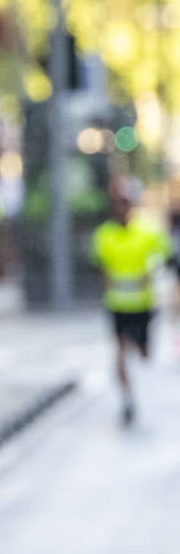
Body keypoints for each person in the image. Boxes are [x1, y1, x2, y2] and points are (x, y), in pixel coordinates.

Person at [91, 176, 172, 426]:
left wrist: (150, 276)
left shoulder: (147, 232)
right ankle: (128, 401)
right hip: (117, 305)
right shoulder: (104, 235)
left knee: (144, 354)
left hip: (143, 305)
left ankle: (139, 347)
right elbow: (101, 269)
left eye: (125, 203)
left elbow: (164, 259)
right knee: (119, 353)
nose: (121, 208)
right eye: (117, 203)